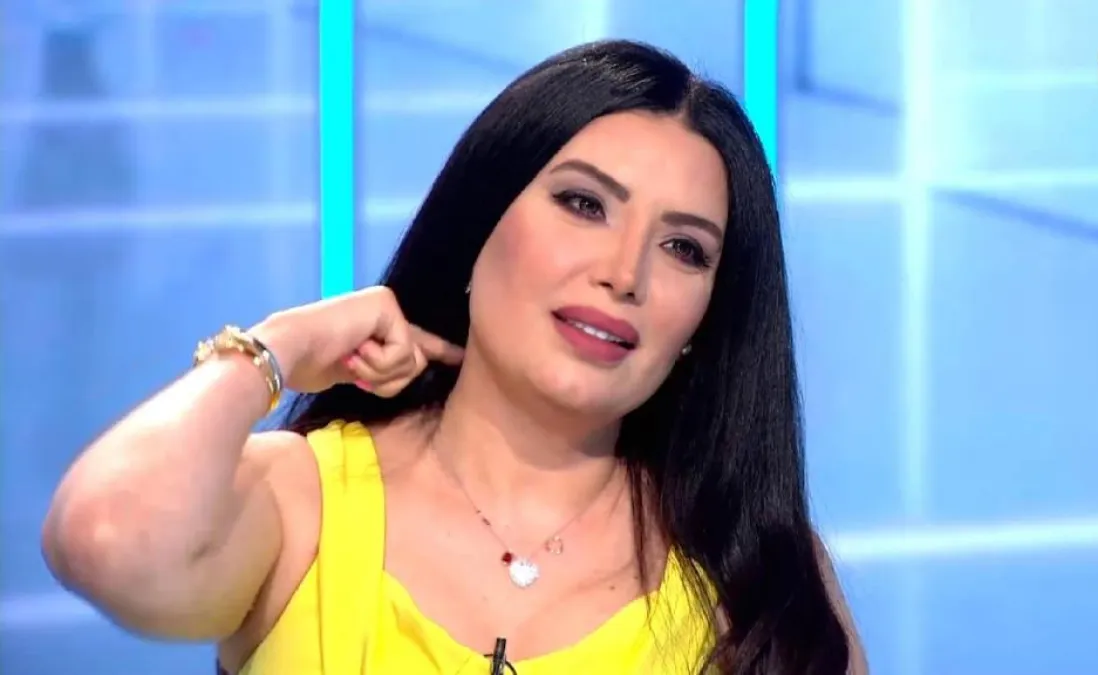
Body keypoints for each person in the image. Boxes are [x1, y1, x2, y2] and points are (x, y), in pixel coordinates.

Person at [41, 40, 867, 674]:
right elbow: (103, 540)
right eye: (583, 204)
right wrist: (276, 349)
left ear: (703, 320)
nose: (625, 273)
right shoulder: (301, 501)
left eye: (684, 248)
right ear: (477, 226)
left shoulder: (756, 577)